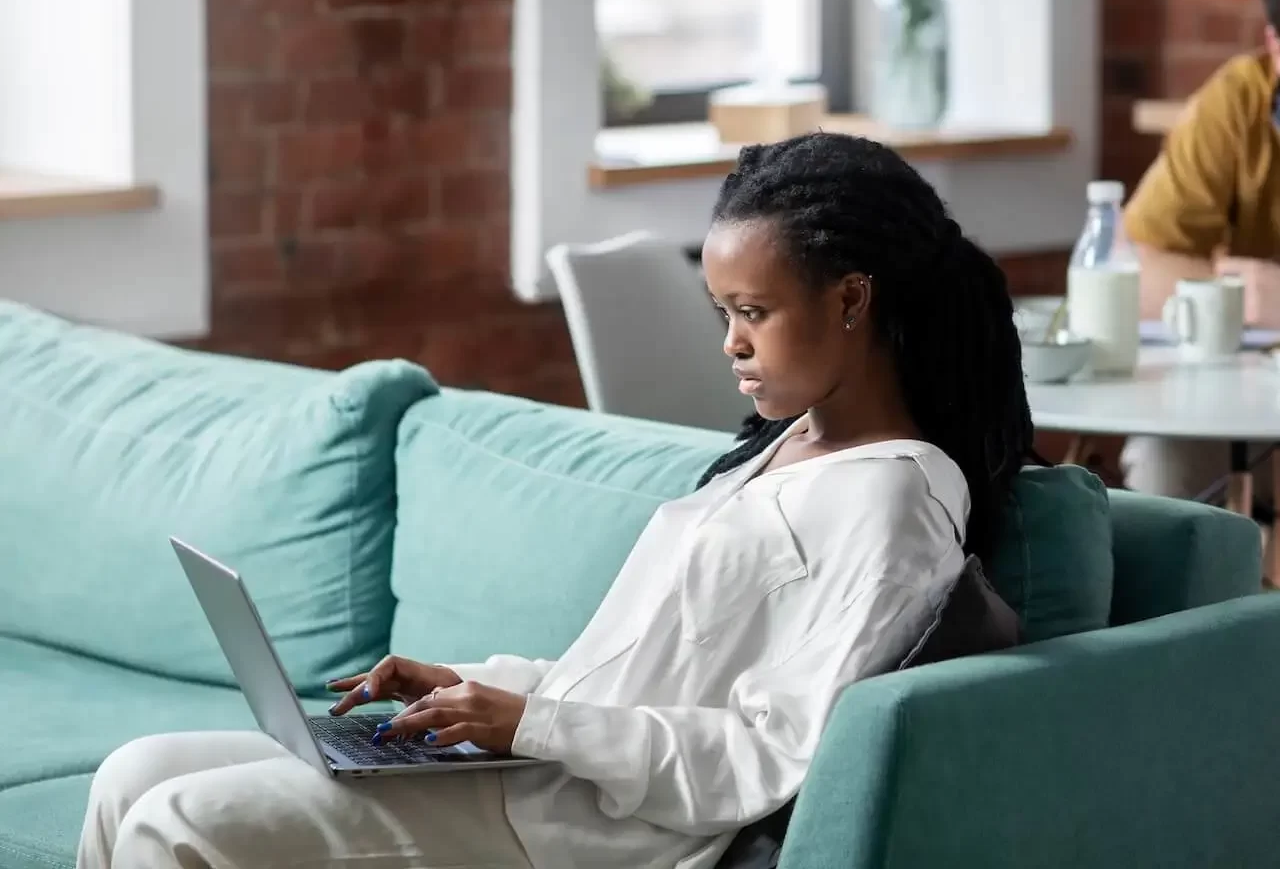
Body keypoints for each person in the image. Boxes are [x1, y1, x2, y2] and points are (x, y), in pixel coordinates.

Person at [78, 133, 1034, 869]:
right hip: (547, 773)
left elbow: (767, 756)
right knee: (132, 774)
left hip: (603, 833)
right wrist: (475, 687)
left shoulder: (893, 503)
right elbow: (644, 672)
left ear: (853, 301)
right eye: (724, 315)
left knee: (178, 823)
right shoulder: (786, 451)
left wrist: (528, 727)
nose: (731, 345)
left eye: (754, 312)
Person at [1120, 0, 1280, 501]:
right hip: (1243, 403)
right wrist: (1236, 292)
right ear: (1272, 44)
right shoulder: (1237, 103)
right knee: (1166, 464)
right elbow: (1138, 265)